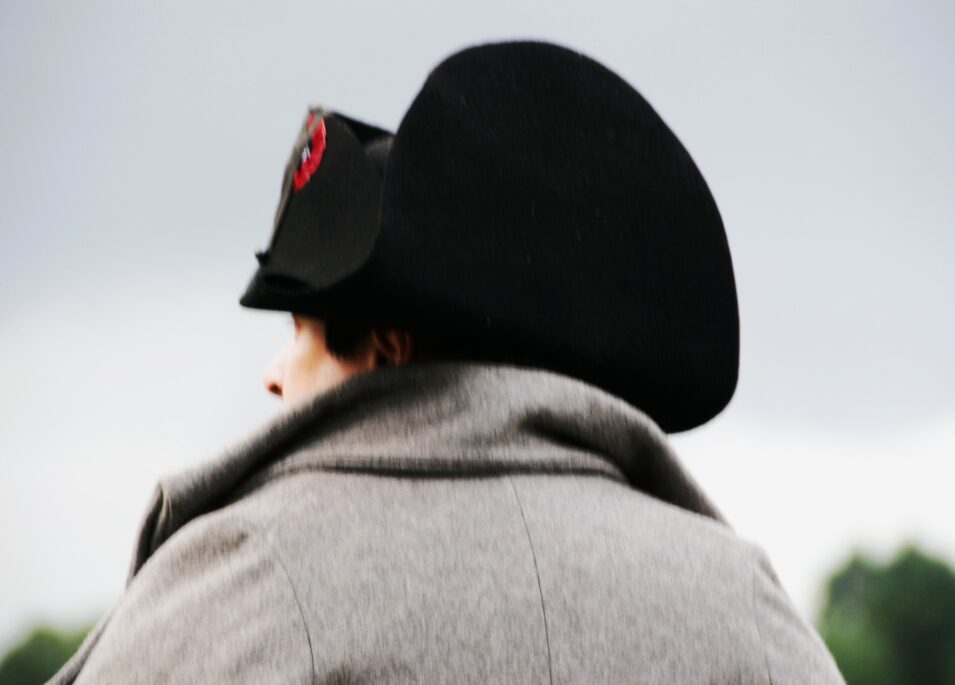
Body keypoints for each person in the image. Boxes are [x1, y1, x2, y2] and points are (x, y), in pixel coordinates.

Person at [50, 41, 844, 684]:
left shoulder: (239, 583)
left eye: (302, 330)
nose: (275, 371)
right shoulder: (741, 602)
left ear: (388, 346)